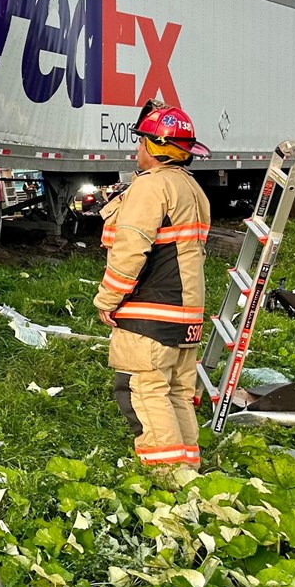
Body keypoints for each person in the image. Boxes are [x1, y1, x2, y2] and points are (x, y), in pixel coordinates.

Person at [93, 100, 211, 470]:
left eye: (142, 142)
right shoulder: (192, 189)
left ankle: (168, 477)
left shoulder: (151, 187)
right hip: (185, 312)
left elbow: (130, 249)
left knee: (143, 390)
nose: (137, 149)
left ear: (156, 147)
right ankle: (189, 469)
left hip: (151, 311)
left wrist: (107, 299)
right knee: (175, 392)